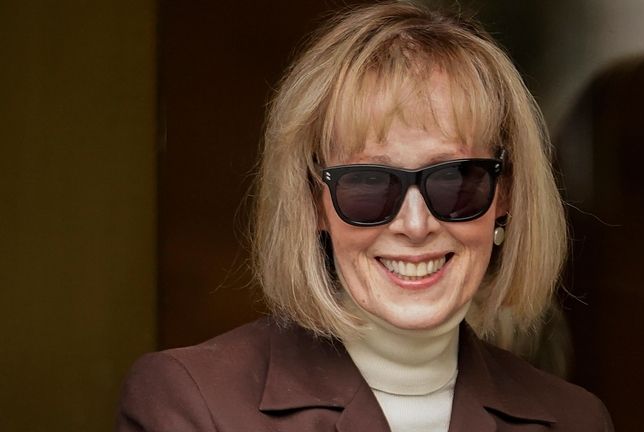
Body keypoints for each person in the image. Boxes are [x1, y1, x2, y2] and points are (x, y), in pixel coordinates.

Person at [117, 2, 614, 431]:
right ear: (314, 203)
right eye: (369, 186)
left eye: (455, 182)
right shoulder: (192, 405)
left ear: (503, 195)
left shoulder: (573, 420)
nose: (415, 225)